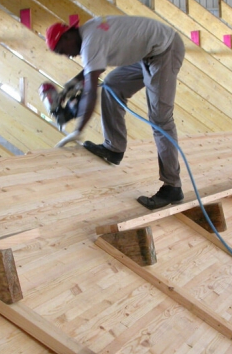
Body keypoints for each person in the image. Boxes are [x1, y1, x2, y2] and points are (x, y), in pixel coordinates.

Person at [45, 15, 185, 210]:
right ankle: (114, 148)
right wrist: (73, 83)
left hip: (165, 50)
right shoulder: (88, 32)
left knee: (160, 118)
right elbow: (89, 72)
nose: (68, 56)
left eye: (63, 51)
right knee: (112, 84)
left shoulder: (90, 42)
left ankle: (173, 187)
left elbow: (91, 92)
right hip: (147, 53)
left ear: (67, 37)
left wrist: (78, 130)